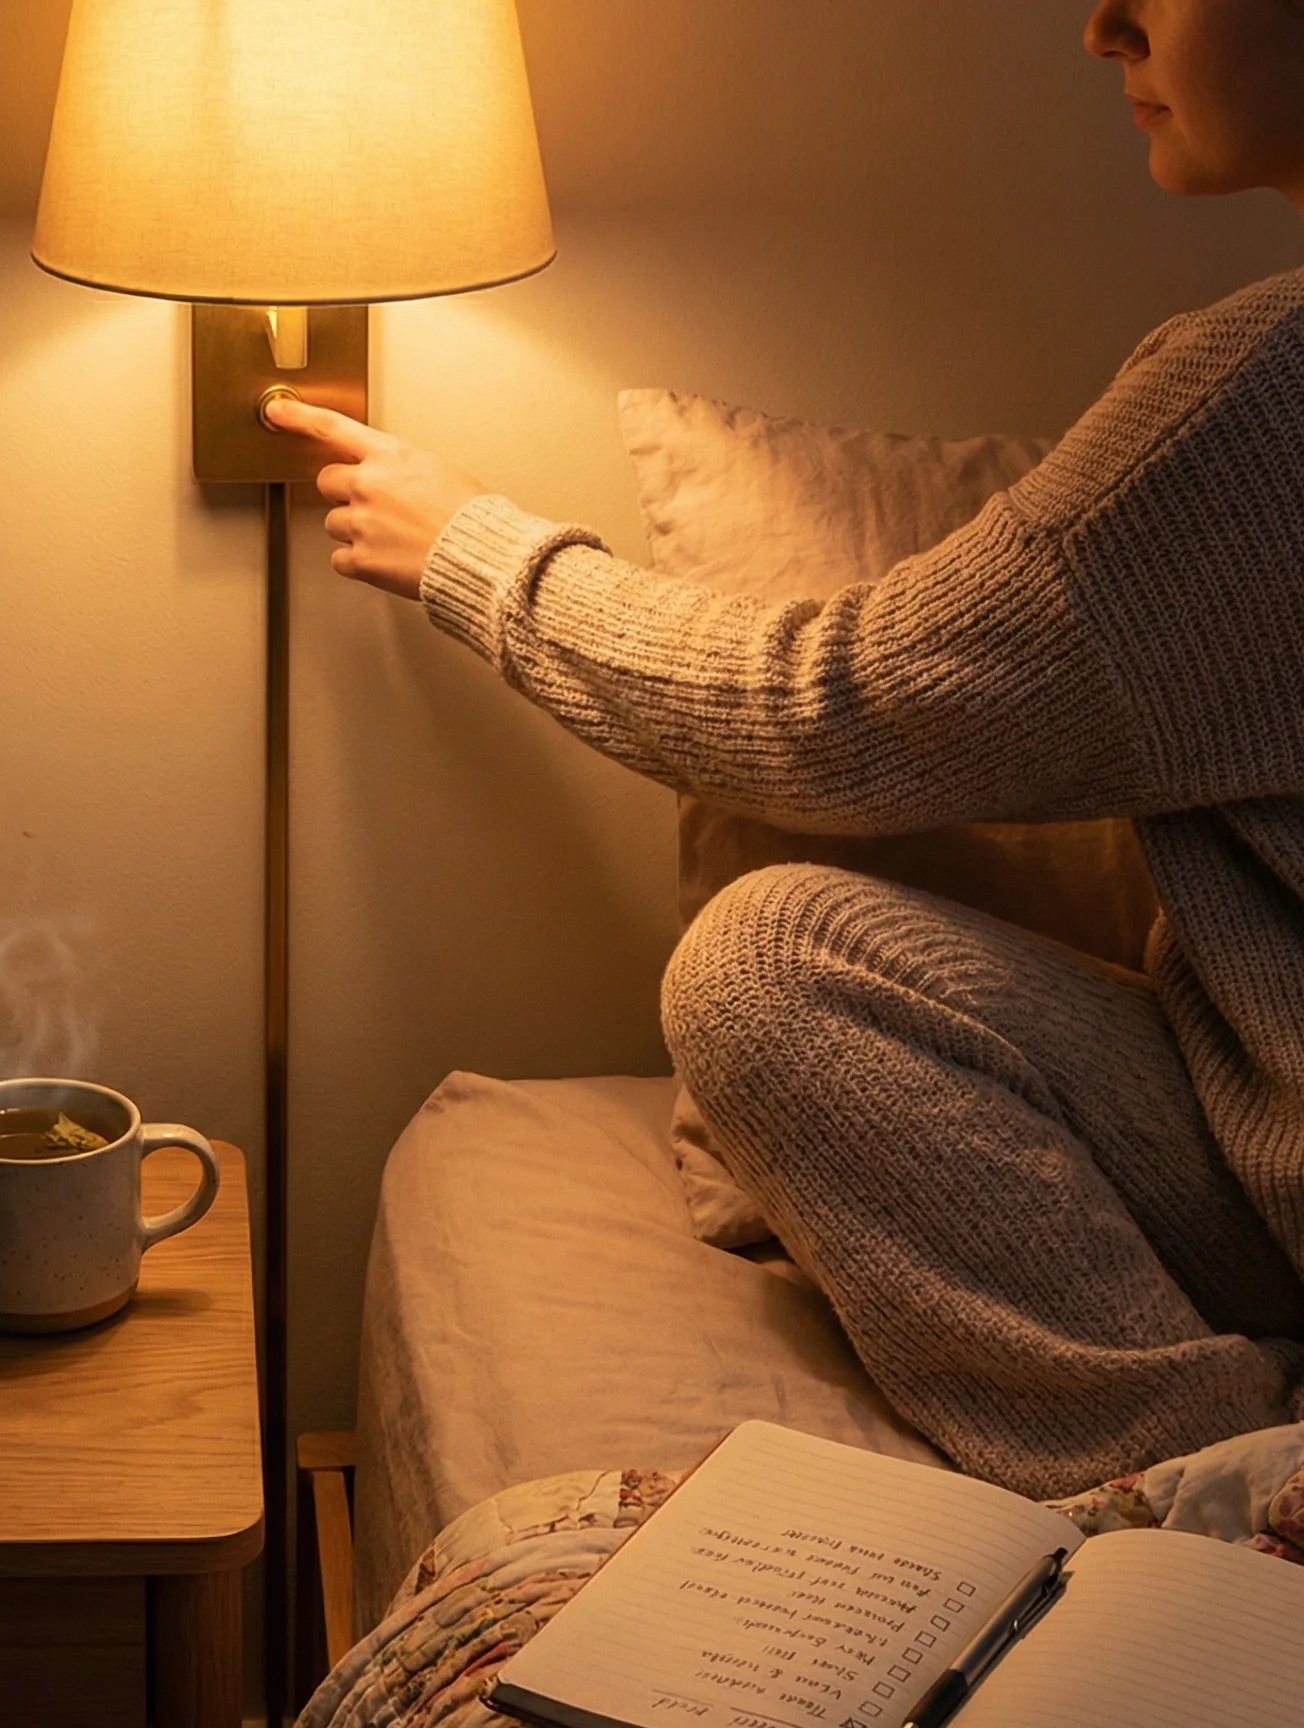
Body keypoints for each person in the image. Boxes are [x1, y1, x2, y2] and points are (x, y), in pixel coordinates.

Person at [267, 0, 1304, 1499]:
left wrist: (475, 552)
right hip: (1256, 1132)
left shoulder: (1263, 403)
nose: (1104, 28)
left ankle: (1223, 1492)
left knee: (756, 972)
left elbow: (839, 713)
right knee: (787, 954)